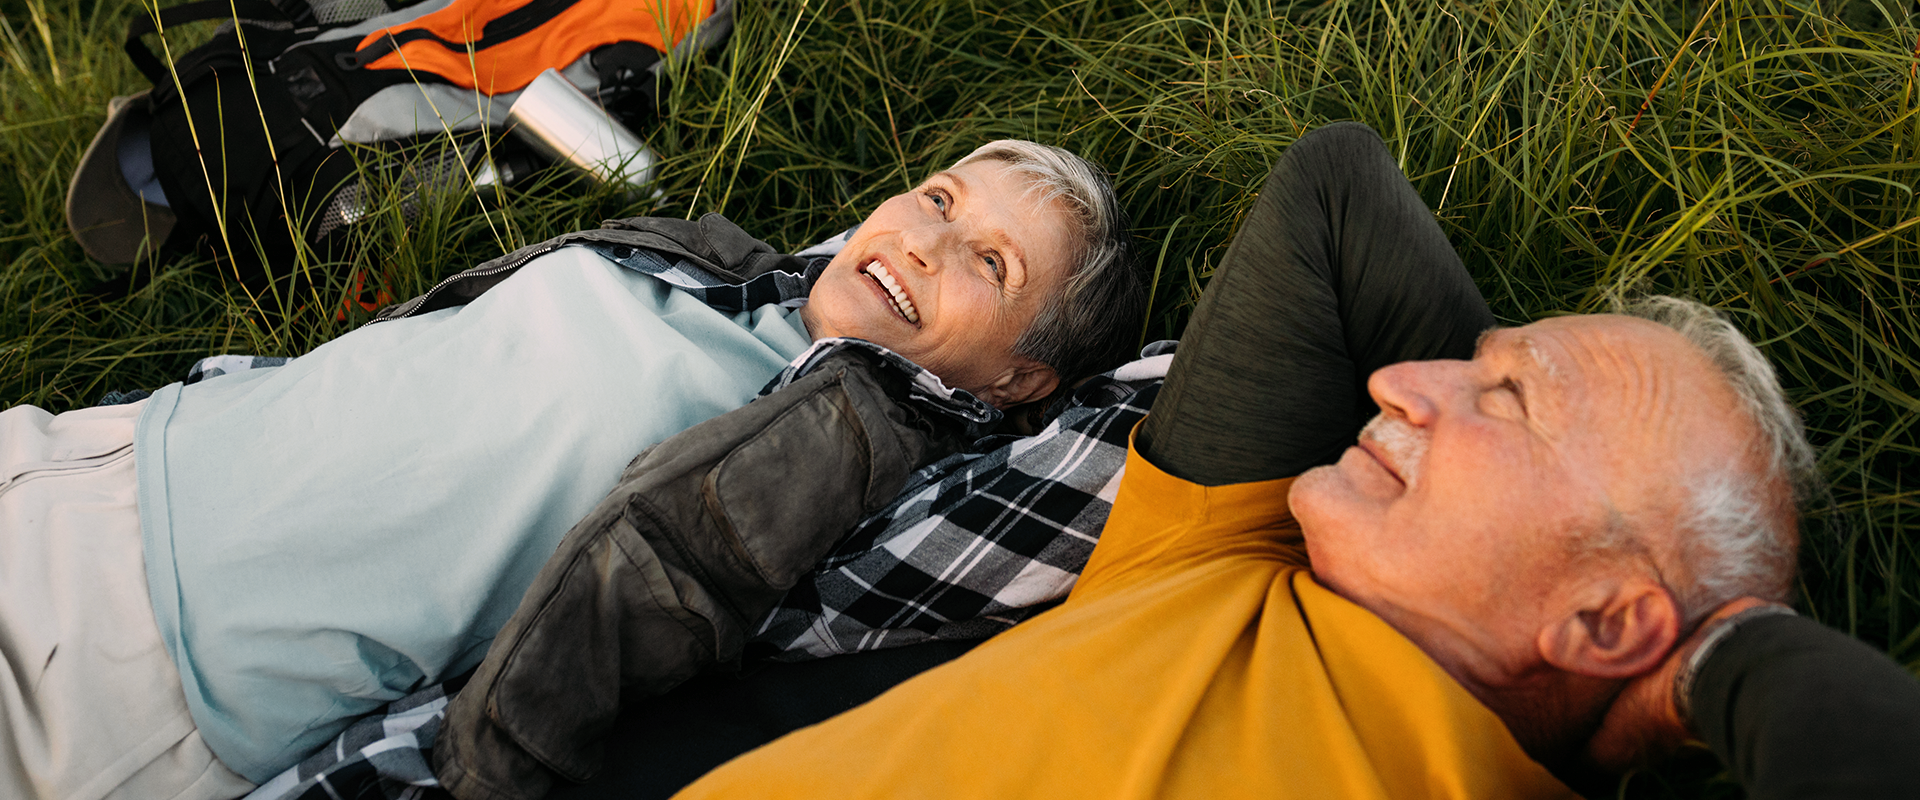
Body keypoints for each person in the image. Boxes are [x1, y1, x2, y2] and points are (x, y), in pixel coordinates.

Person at [662, 122, 1920, 799]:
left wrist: (1712, 665)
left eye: (1510, 401)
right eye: (1464, 357)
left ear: (1605, 616)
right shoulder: (1218, 557)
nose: (1396, 381)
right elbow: (1336, 191)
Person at [0, 139, 1144, 800]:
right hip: (83, 457)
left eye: (988, 262)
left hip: (128, 680)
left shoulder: (859, 482)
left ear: (1022, 380)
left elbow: (1139, 438)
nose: (925, 240)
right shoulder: (723, 267)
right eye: (939, 197)